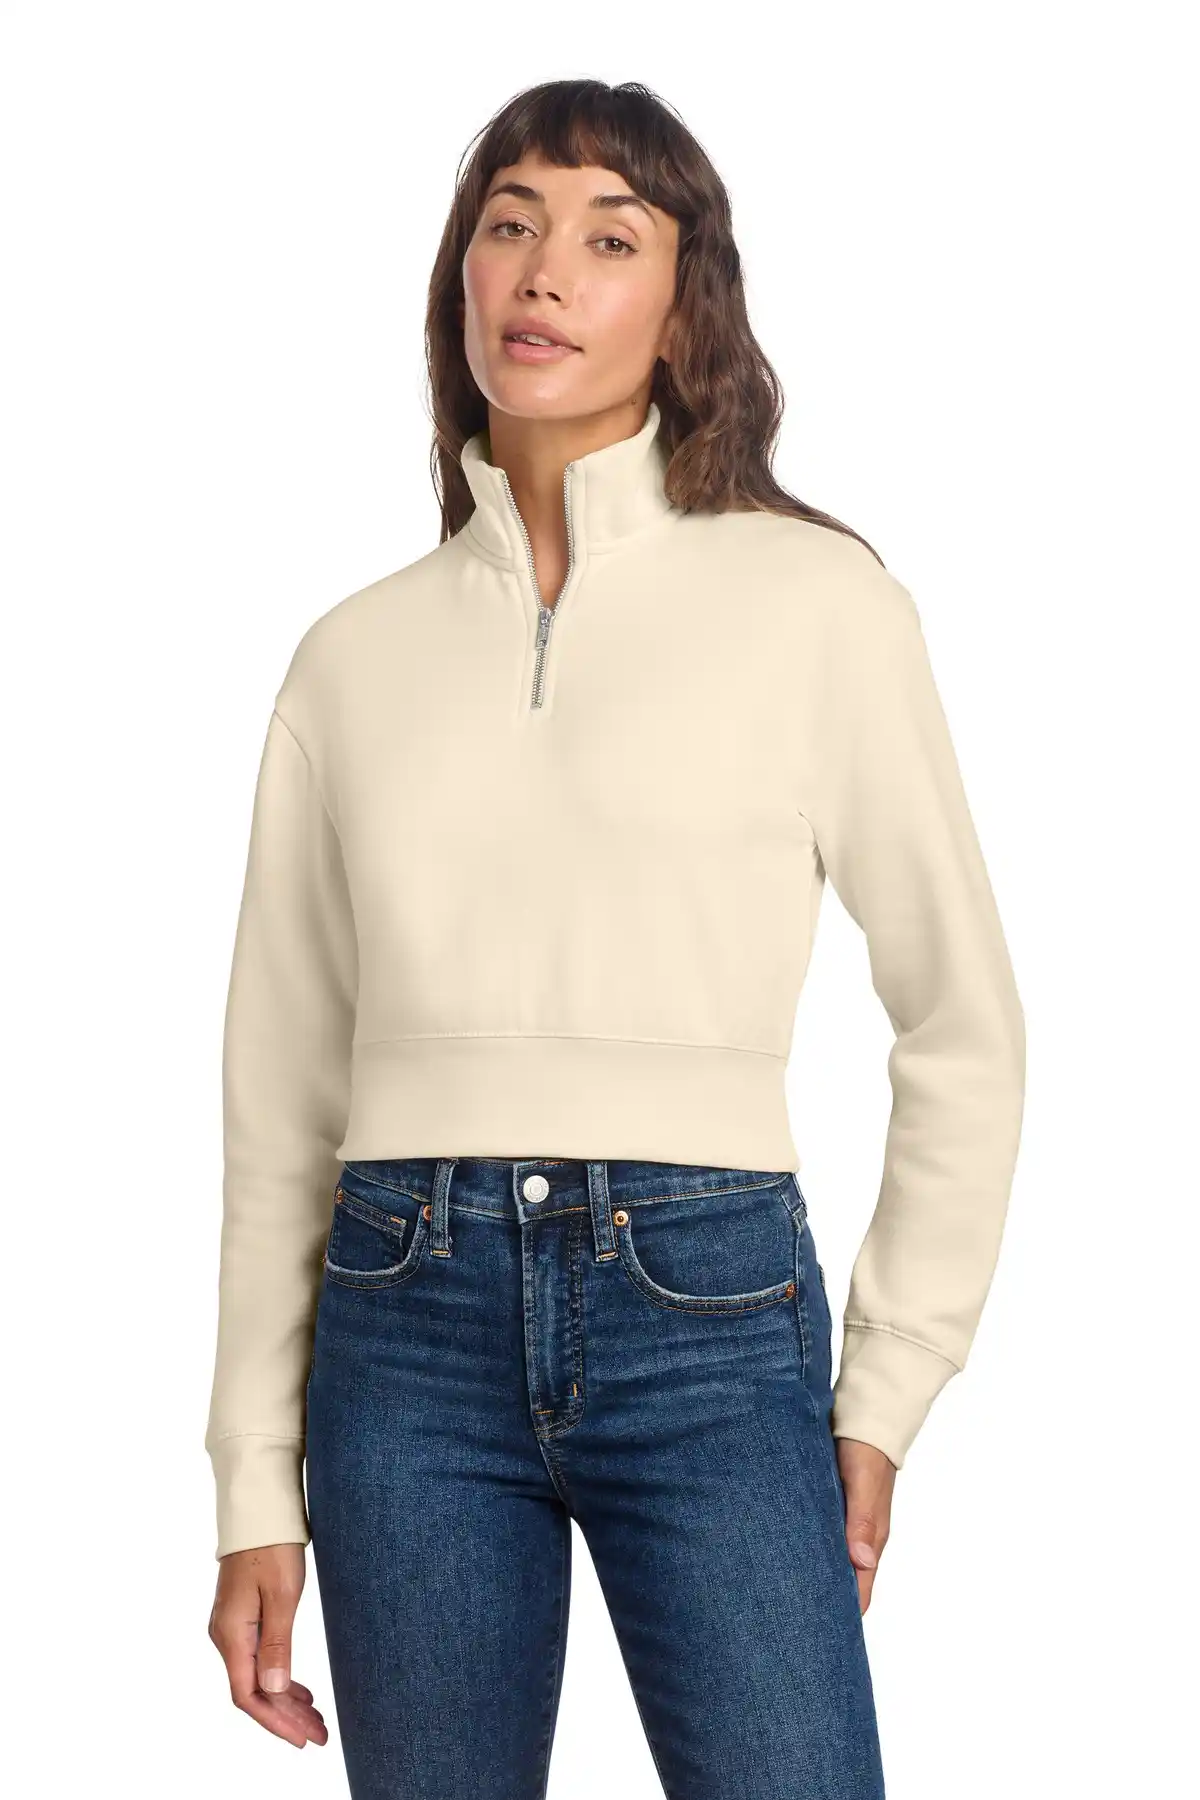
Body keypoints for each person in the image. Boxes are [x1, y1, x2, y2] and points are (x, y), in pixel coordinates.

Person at [205, 77, 1026, 1800]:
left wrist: (887, 1384)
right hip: (400, 1323)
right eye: (510, 224)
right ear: (459, 275)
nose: (545, 270)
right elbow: (280, 1098)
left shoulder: (820, 605)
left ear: (684, 301)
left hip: (706, 1308)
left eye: (609, 236)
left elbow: (963, 1021)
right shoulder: (351, 661)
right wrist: (253, 1479)